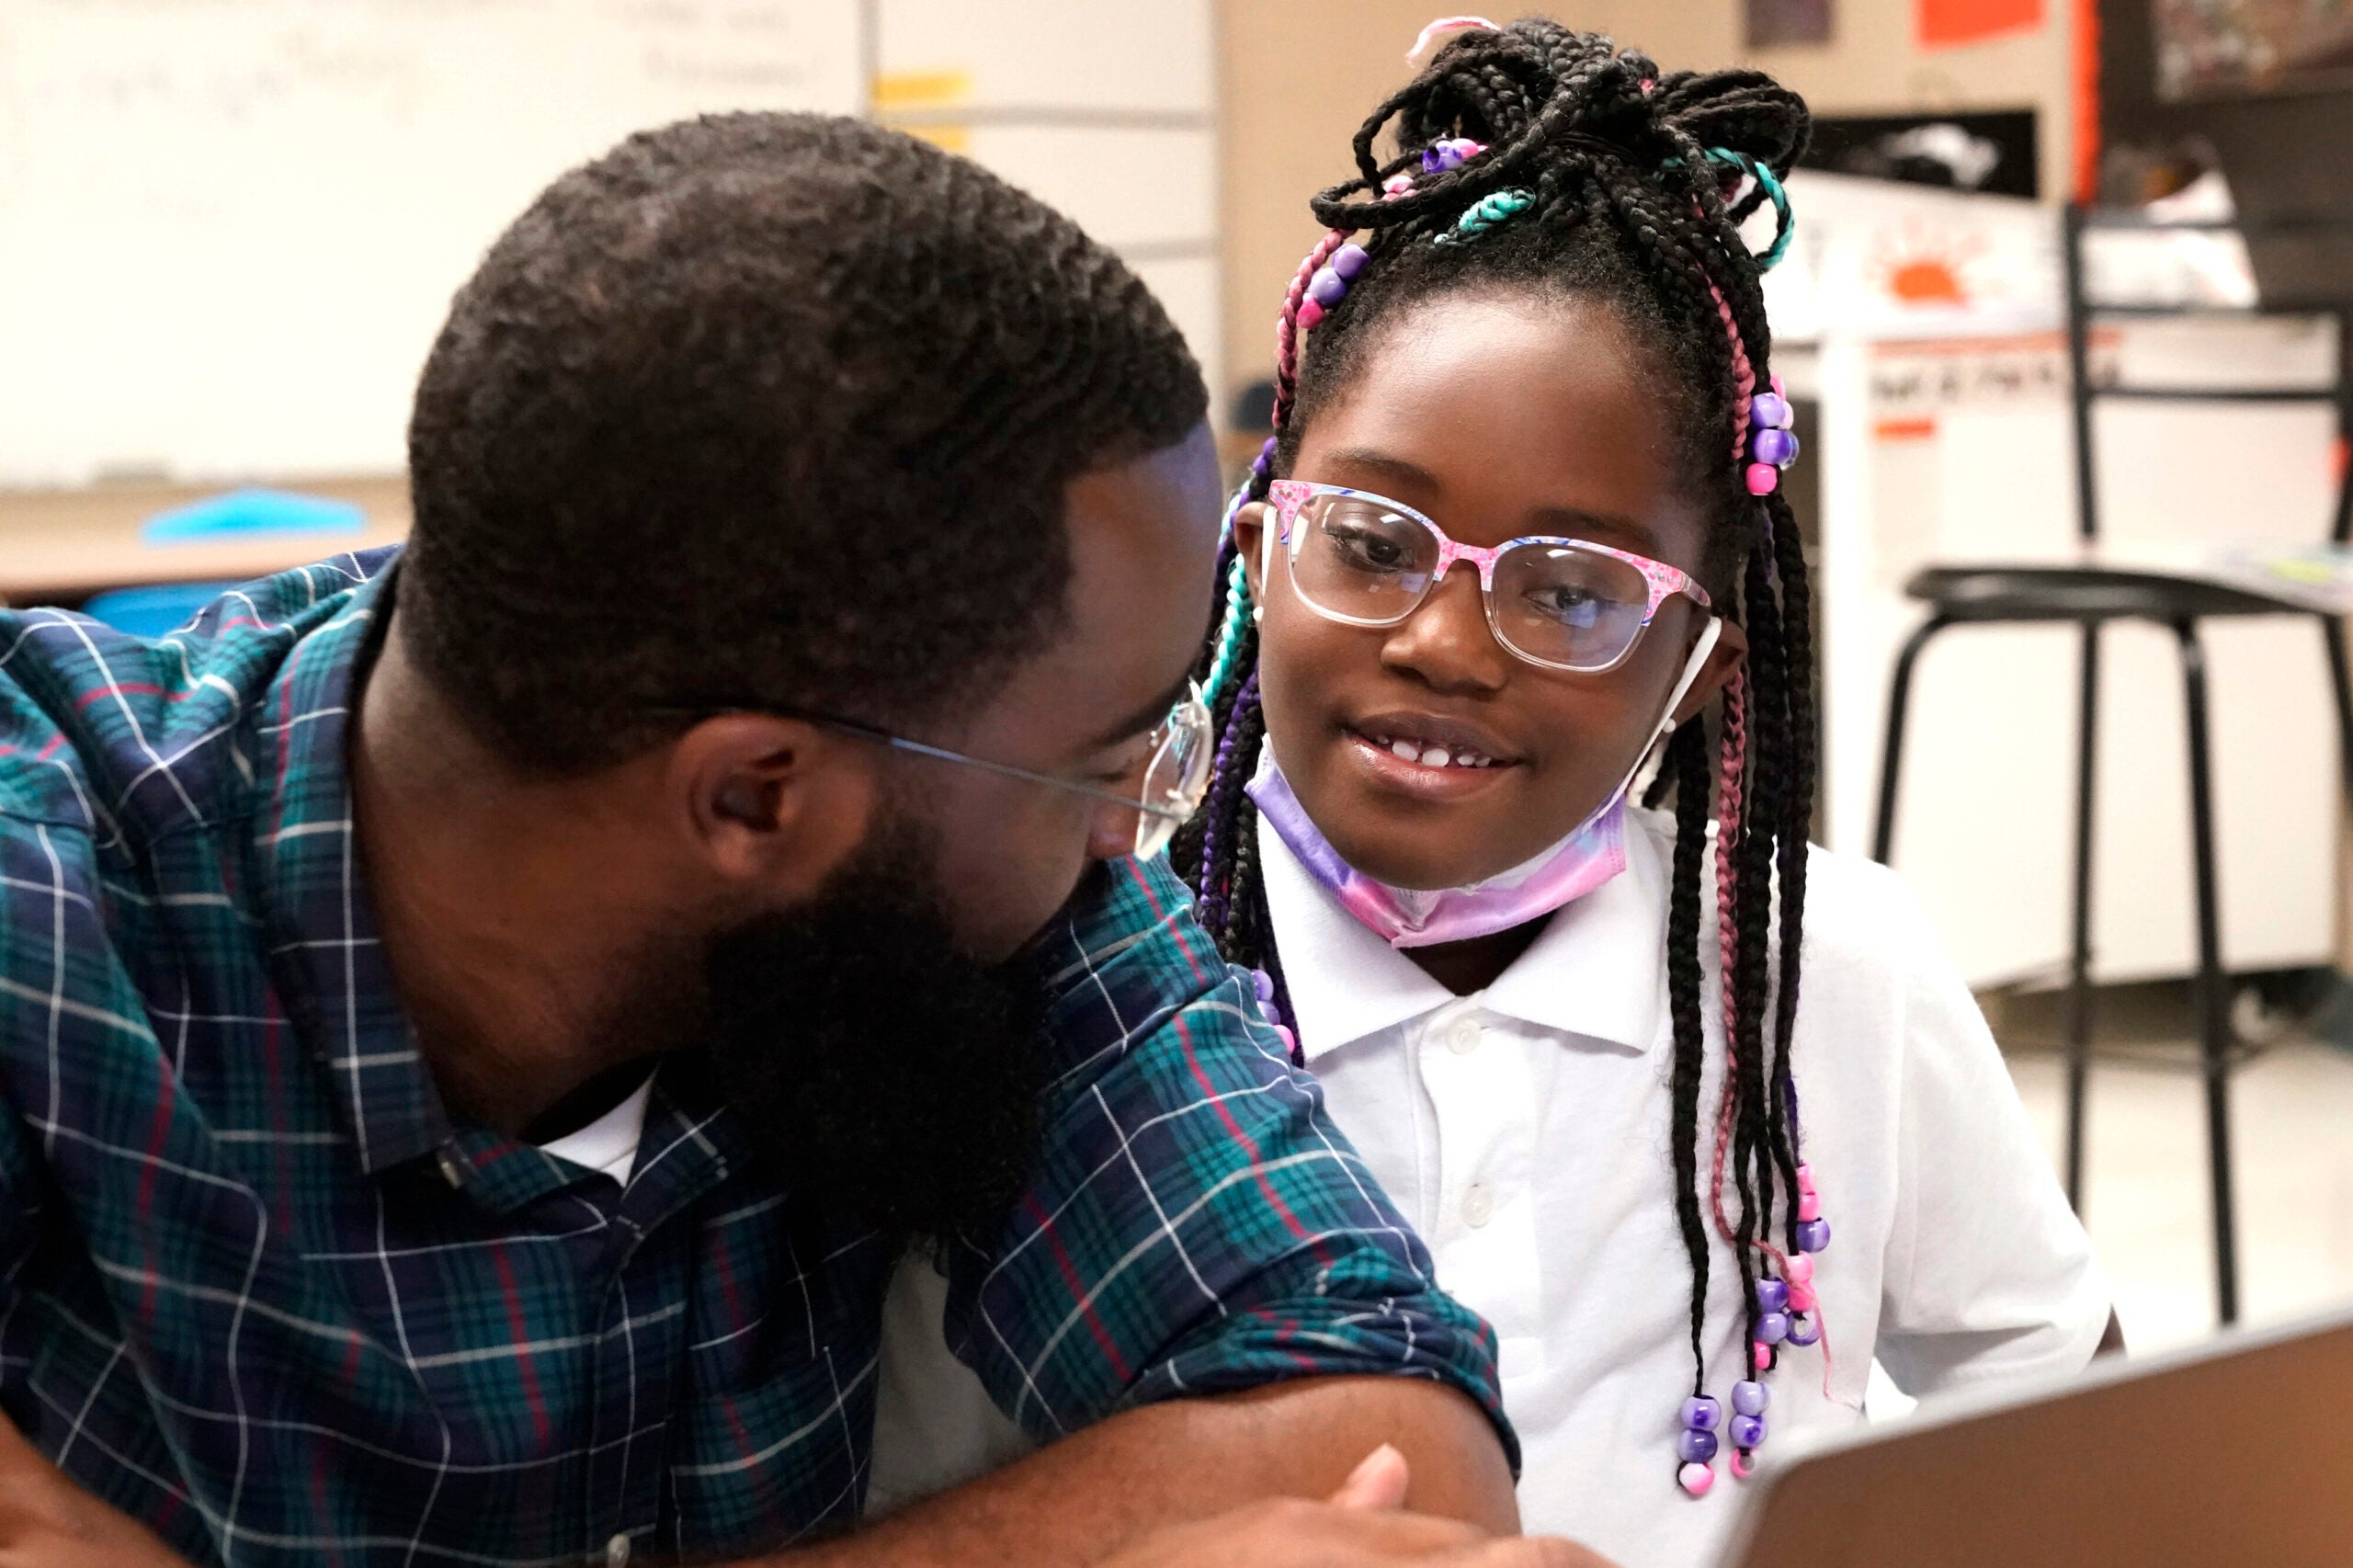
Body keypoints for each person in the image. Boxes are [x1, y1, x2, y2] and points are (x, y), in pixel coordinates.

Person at [0, 112, 1596, 1568]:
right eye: (1107, 761)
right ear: (756, 798)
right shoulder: (49, 894)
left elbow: (1403, 1467)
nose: (1132, 837)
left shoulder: (995, 897)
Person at [860, 20, 2115, 1568]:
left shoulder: (1826, 970)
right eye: (1373, 544)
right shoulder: (1074, 997)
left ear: (1696, 667)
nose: (1446, 646)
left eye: (1573, 591)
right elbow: (941, 1509)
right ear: (1259, 553)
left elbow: (2063, 1411)